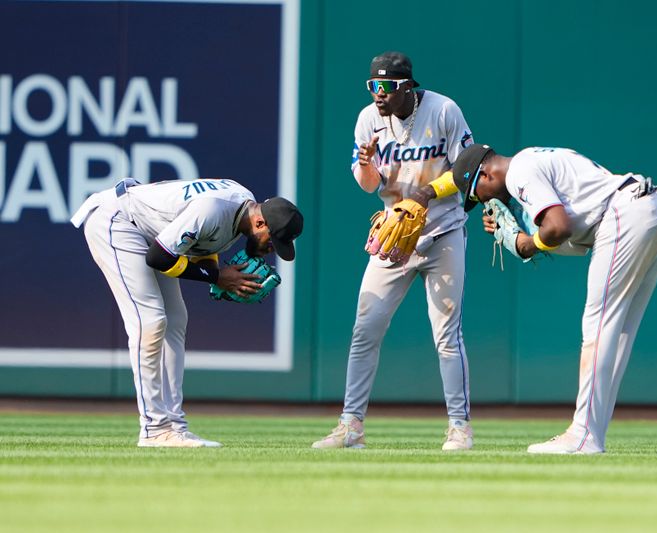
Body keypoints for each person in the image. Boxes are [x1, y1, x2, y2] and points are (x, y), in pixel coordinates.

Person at [453, 144, 657, 454]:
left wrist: (526, 244)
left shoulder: (519, 169)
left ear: (485, 174)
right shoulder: (535, 158)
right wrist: (528, 229)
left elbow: (558, 228)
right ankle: (592, 434)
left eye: (475, 193)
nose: (482, 201)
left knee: (599, 325)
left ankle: (583, 435)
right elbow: (574, 235)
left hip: (627, 213)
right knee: (619, 331)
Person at [312, 51, 475, 451]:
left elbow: (468, 167)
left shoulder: (443, 110)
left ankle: (459, 427)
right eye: (372, 86)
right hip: (393, 235)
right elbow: (369, 184)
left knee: (446, 336)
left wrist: (425, 194)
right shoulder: (369, 118)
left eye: (385, 87)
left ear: (407, 87)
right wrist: (367, 165)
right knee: (365, 329)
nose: (378, 94)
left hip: (443, 232)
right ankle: (351, 426)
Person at [70, 177, 303, 447]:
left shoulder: (242, 208)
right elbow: (159, 258)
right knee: (150, 321)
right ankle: (154, 428)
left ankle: (175, 426)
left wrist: (215, 273)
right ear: (260, 223)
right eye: (273, 240)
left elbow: (204, 242)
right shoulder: (215, 209)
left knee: (176, 320)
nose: (272, 248)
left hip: (152, 232)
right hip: (118, 220)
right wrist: (216, 277)